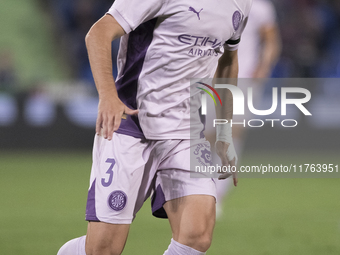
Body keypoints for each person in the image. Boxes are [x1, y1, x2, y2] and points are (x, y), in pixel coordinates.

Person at [57, 0, 252, 254]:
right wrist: (107, 96)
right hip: (133, 124)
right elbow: (98, 33)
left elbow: (228, 60)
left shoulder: (241, 3)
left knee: (198, 235)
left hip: (187, 132)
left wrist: (224, 133)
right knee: (103, 249)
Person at [212, 0, 282, 216]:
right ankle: (202, 192)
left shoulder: (260, 7)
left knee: (232, 133)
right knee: (206, 136)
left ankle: (217, 196)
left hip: (243, 78)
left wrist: (263, 67)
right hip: (208, 75)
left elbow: (271, 41)